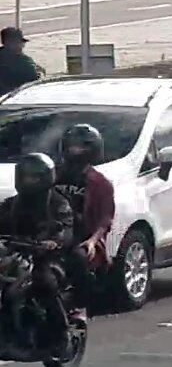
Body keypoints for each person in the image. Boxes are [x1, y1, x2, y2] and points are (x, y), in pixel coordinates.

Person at [0, 153, 74, 350]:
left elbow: (66, 227)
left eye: (33, 177)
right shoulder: (11, 205)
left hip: (48, 258)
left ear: (46, 178)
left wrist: (53, 241)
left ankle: (61, 333)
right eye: (24, 177)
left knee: (43, 283)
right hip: (15, 253)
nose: (28, 181)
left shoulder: (58, 203)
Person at [55, 124, 115, 318]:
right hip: (50, 232)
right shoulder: (52, 175)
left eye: (81, 147)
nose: (75, 151)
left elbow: (105, 218)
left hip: (80, 237)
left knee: (79, 258)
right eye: (72, 146)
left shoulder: (100, 183)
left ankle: (79, 305)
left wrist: (93, 240)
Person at [0, 27, 41, 95]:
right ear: (9, 43)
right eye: (20, 43)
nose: (22, 46)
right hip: (16, 97)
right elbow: (34, 82)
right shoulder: (25, 62)